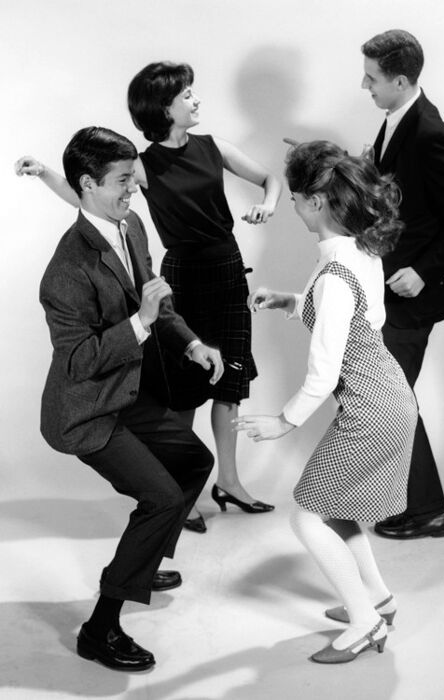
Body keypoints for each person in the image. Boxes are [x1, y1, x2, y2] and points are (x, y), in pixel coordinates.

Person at [15, 61, 281, 532]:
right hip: (179, 276)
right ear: (163, 107)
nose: (196, 100)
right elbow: (89, 197)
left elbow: (269, 179)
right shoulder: (141, 164)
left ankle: (231, 481)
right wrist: (45, 174)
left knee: (230, 382)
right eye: (186, 95)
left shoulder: (211, 146)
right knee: (181, 390)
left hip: (226, 270)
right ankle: (184, 490)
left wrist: (268, 204)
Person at [34, 126, 224, 671]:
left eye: (132, 178)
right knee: (162, 498)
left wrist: (190, 342)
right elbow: (77, 362)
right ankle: (100, 629)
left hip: (127, 391)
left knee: (195, 461)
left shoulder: (130, 225)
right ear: (88, 185)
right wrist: (140, 322)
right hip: (87, 411)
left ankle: (144, 559)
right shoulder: (66, 270)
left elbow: (152, 299)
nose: (133, 190)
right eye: (122, 181)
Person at [235, 140, 417, 663]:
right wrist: (292, 301)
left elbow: (324, 373)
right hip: (388, 395)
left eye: (295, 197)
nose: (291, 206)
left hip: (369, 408)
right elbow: (362, 319)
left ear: (316, 200)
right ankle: (379, 601)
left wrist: (282, 423)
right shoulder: (356, 250)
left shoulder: (337, 271)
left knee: (307, 518)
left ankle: (363, 624)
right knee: (333, 509)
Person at [360, 30, 444, 539]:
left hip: (415, 289)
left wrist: (424, 271)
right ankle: (420, 504)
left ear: (401, 79)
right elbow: (400, 187)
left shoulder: (430, 132)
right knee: (391, 394)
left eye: (371, 78)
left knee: (390, 396)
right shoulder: (397, 119)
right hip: (394, 282)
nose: (363, 85)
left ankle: (429, 510)